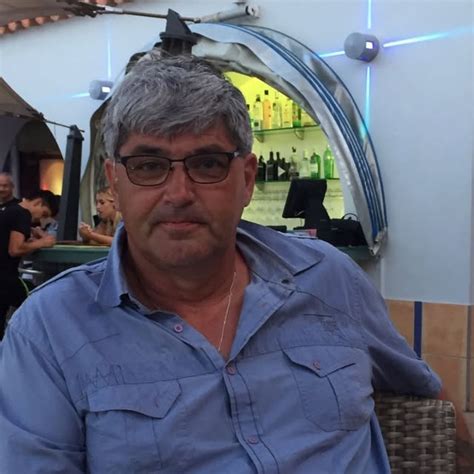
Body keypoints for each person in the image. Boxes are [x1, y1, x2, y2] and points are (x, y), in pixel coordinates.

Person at [0, 55, 441, 473]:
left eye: (207, 164)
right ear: (115, 182)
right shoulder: (50, 329)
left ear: (246, 179)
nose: (179, 194)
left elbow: (425, 396)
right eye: (149, 166)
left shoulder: (328, 279)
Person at [0, 191, 56, 339]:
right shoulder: (22, 214)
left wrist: (33, 241)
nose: (40, 219)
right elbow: (15, 249)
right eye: (43, 214)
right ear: (38, 203)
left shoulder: (10, 209)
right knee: (39, 302)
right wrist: (42, 242)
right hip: (5, 279)